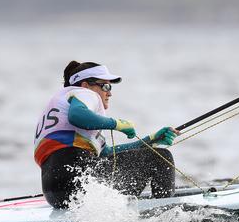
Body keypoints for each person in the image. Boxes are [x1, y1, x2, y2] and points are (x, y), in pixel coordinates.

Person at [34, 60, 179, 208]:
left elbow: (107, 153)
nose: (109, 93)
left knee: (153, 154)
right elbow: (77, 115)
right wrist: (115, 124)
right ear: (85, 85)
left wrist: (150, 141)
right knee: (162, 158)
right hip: (80, 183)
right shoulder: (83, 93)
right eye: (105, 86)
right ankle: (167, 216)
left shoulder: (60, 107)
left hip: (55, 193)